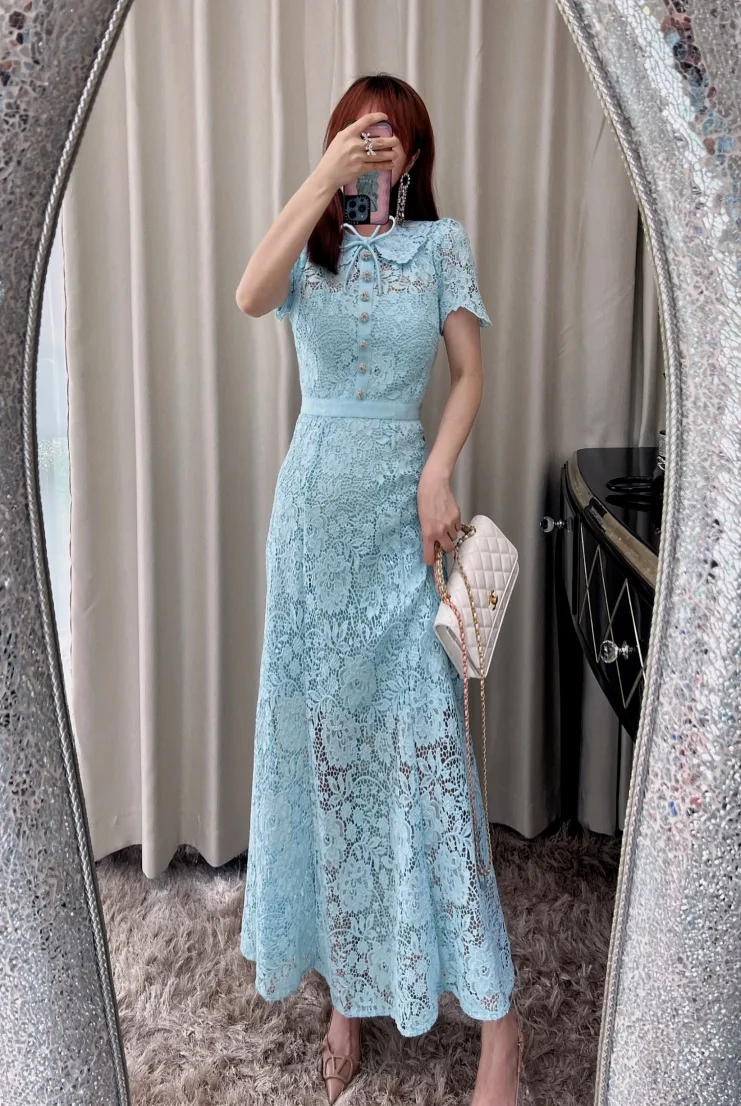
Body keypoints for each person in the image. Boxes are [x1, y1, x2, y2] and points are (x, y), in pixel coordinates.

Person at [235, 73, 523, 1106]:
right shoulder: (307, 245)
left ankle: (501, 1027)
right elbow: (249, 294)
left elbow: (470, 374)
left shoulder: (441, 246)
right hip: (311, 536)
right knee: (329, 763)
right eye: (362, 133)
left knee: (433, 761)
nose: (377, 148)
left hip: (404, 530)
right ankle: (349, 991)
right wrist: (321, 179)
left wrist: (439, 469)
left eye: (393, 136)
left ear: (417, 153)